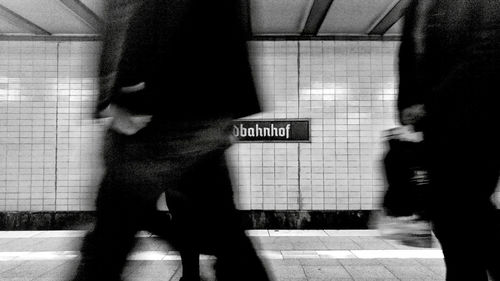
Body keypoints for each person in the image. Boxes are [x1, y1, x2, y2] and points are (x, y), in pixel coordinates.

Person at [70, 0, 272, 280]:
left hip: (152, 112)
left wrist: (116, 92)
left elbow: (128, 10)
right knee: (229, 238)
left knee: (108, 243)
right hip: (208, 105)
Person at [398, 0, 500, 280]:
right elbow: (408, 57)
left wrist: (429, 103)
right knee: (450, 219)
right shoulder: (415, 5)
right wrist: (406, 104)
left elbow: (486, 54)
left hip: (476, 125)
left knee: (466, 209)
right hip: (434, 130)